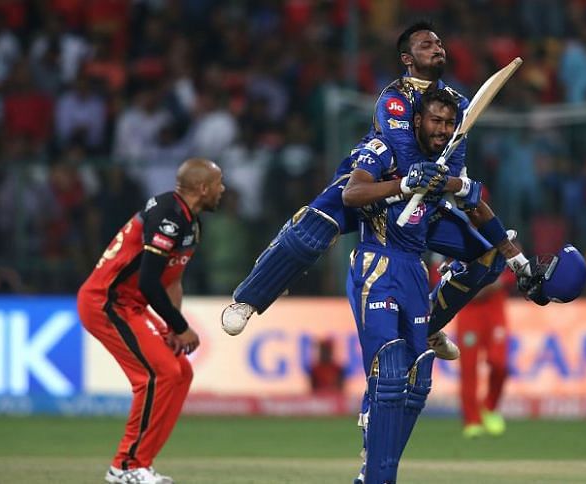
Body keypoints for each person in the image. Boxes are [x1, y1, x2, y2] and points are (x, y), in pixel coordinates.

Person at [222, 22, 539, 356]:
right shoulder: (394, 99)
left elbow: (452, 169)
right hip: (372, 183)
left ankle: (429, 328)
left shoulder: (457, 106)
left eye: (439, 42)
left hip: (418, 200)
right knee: (311, 230)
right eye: (426, 44)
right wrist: (442, 180)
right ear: (407, 58)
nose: (437, 47)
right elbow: (405, 161)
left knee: (487, 260)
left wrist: (459, 189)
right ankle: (249, 299)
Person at [342, 88, 473, 484]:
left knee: (418, 381)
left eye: (450, 124)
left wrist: (467, 191)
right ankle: (379, 474)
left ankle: (376, 473)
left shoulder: (443, 164)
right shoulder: (383, 147)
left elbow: (468, 202)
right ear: (416, 120)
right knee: (391, 371)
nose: (443, 129)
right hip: (377, 261)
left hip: (415, 272)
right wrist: (401, 185)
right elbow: (352, 193)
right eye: (436, 120)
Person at [77, 158, 225, 484]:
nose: (222, 190)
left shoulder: (191, 222)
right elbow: (148, 282)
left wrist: (174, 328)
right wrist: (182, 327)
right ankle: (126, 466)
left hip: (130, 306)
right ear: (202, 188)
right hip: (107, 302)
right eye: (218, 184)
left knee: (180, 372)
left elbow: (172, 281)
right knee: (158, 375)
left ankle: (140, 464)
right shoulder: (167, 216)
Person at [450, 261, 514, 438]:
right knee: (468, 367)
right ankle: (472, 420)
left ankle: (489, 407)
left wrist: (500, 280)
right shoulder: (456, 236)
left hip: (495, 306)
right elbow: (439, 270)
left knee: (499, 362)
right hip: (469, 309)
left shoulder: (498, 235)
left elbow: (514, 265)